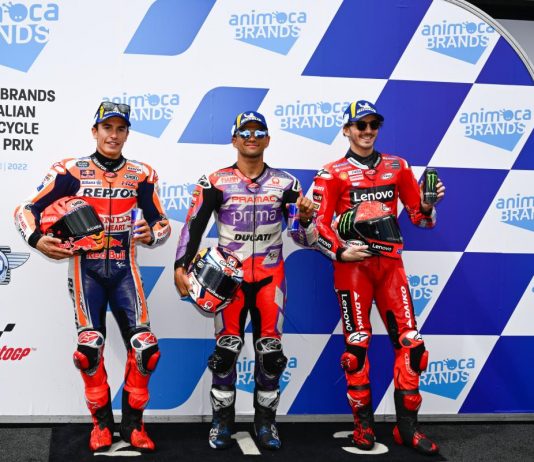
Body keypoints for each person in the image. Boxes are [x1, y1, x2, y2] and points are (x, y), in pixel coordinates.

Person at [14, 102, 171, 452]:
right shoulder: (71, 170)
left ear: (127, 134)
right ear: (94, 131)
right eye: (107, 128)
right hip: (86, 271)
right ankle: (101, 424)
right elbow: (26, 209)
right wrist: (36, 239)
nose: (113, 135)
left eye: (120, 129)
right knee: (88, 350)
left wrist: (153, 234)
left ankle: (133, 425)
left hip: (125, 269)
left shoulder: (142, 173)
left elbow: (161, 222)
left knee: (146, 350)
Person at [174, 111, 316, 451]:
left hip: (270, 277)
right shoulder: (215, 181)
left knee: (271, 355)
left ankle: (265, 423)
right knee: (226, 352)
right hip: (228, 280)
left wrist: (306, 220)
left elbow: (303, 238)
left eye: (258, 131)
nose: (252, 137)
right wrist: (180, 266)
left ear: (268, 139)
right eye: (245, 132)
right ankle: (222, 422)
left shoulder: (287, 183)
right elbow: (194, 225)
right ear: (234, 139)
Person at [312, 100, 445, 455]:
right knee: (356, 349)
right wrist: (340, 252)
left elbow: (419, 218)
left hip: (390, 268)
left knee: (412, 346)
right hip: (353, 270)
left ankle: (407, 429)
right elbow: (316, 225)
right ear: (347, 130)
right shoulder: (332, 173)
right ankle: (363, 427)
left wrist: (428, 205)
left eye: (373, 125)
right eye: (361, 125)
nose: (368, 131)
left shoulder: (398, 166)